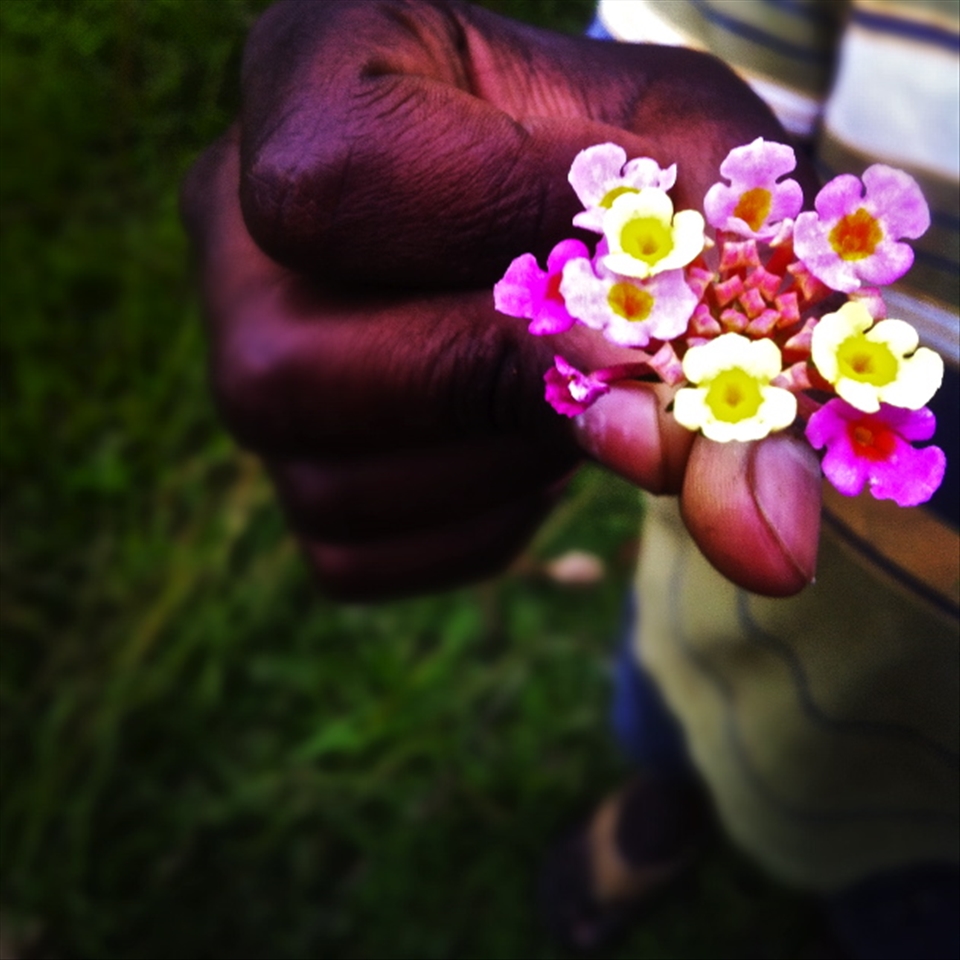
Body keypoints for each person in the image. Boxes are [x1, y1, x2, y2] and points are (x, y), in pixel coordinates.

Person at [181, 1, 959, 956]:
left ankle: (889, 899)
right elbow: (666, 85)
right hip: (727, 580)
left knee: (908, 858)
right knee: (678, 686)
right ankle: (671, 792)